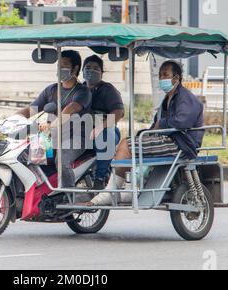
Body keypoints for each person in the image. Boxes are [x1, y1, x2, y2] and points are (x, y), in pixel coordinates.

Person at [87, 60, 205, 206]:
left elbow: (183, 121)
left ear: (176, 78)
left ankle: (112, 191)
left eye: (165, 75)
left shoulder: (185, 97)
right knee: (127, 143)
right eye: (160, 75)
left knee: (127, 145)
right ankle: (125, 188)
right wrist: (148, 132)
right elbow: (156, 125)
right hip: (169, 140)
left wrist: (159, 125)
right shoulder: (167, 99)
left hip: (181, 144)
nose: (162, 79)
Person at [16, 50, 92, 191]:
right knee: (22, 155)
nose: (59, 69)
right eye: (58, 65)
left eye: (63, 65)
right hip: (52, 137)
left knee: (62, 160)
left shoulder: (82, 92)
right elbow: (31, 109)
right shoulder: (51, 90)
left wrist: (52, 124)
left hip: (76, 138)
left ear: (75, 68)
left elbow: (69, 110)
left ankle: (69, 197)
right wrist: (12, 119)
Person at [82, 55, 125, 190]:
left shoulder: (108, 90)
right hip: (83, 132)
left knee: (104, 136)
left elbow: (119, 112)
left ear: (102, 72)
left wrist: (100, 127)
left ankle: (101, 177)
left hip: (107, 131)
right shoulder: (79, 90)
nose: (91, 71)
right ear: (82, 70)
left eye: (96, 68)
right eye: (88, 68)